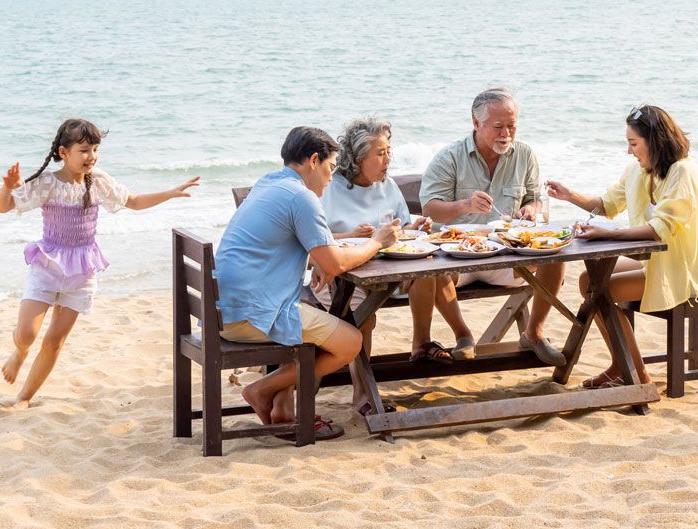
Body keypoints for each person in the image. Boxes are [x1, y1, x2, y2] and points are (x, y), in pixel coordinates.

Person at [0, 118, 200, 408]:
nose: (91, 156)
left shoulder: (98, 181)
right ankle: (19, 352)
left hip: (81, 272)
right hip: (47, 267)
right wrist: (7, 188)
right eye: (84, 150)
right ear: (64, 153)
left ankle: (24, 397)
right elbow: (4, 208)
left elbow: (134, 201)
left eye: (94, 149)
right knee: (27, 333)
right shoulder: (48, 184)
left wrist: (169, 193)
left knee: (55, 341)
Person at [215, 125, 399, 441]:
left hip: (226, 310)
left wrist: (341, 242)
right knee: (350, 341)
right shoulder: (302, 197)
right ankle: (261, 389)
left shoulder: (270, 183)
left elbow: (301, 241)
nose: (331, 178)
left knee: (319, 317)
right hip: (256, 314)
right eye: (329, 168)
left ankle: (281, 407)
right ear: (314, 160)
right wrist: (377, 243)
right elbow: (336, 263)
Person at [547, 104, 698, 391]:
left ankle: (636, 372)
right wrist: (569, 195)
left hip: (685, 266)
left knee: (602, 291)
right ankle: (621, 365)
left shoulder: (682, 171)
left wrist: (607, 236)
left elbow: (659, 230)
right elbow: (607, 205)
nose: (629, 151)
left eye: (633, 143)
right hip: (658, 259)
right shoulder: (641, 171)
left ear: (654, 141)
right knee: (588, 281)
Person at [315, 116, 472, 414]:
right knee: (363, 318)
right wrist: (354, 236)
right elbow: (314, 240)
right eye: (380, 153)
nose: (388, 159)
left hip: (390, 272)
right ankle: (362, 394)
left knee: (426, 271)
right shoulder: (329, 187)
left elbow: (404, 229)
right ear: (359, 157)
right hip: (341, 277)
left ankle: (421, 344)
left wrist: (419, 226)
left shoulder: (386, 186)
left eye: (389, 151)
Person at [420, 87, 565, 366]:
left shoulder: (524, 154)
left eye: (512, 126)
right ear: (476, 123)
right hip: (455, 257)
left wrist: (532, 210)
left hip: (506, 255)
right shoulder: (449, 157)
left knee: (556, 259)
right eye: (498, 126)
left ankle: (533, 333)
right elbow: (429, 208)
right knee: (431, 272)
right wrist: (464, 206)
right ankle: (463, 335)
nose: (506, 134)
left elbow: (536, 200)